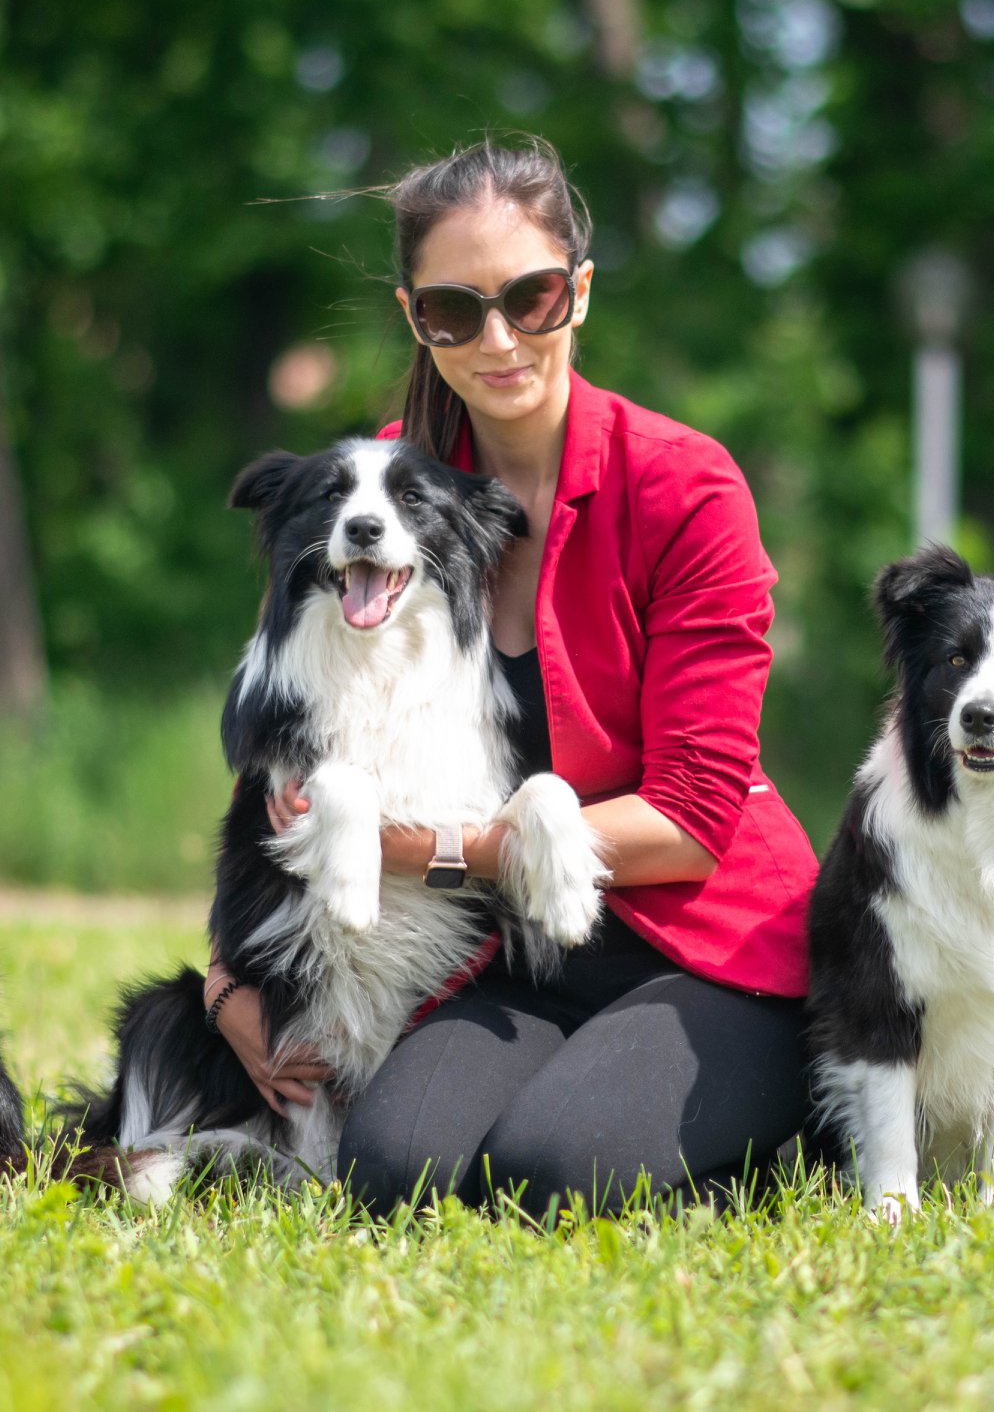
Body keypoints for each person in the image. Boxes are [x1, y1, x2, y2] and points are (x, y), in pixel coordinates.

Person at [204, 137, 817, 1216]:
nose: (496, 339)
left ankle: (784, 1130)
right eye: (453, 311)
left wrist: (434, 849)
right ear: (414, 317)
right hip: (508, 957)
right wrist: (221, 981)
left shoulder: (683, 487)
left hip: (706, 951)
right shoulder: (386, 491)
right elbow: (297, 734)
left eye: (528, 298)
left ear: (576, 292)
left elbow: (692, 815)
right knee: (390, 1175)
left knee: (549, 1175)